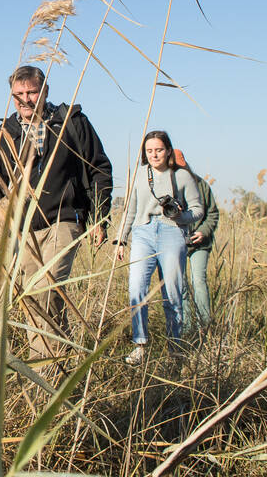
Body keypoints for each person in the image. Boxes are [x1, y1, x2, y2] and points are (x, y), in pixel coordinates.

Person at [0, 65, 112, 358]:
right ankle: (57, 368)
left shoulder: (71, 124)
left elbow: (99, 168)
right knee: (30, 302)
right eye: (19, 95)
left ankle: (43, 378)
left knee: (44, 294)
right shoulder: (3, 134)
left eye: (32, 92)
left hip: (61, 222)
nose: (26, 100)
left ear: (45, 92)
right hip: (17, 228)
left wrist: (100, 216)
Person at [116, 131, 203, 365]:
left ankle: (175, 347)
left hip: (172, 232)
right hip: (143, 231)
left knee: (173, 292)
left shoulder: (182, 176)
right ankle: (140, 344)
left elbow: (198, 209)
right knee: (137, 288)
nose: (154, 154)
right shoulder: (139, 175)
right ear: (145, 153)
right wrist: (121, 239)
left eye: (159, 150)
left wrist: (180, 217)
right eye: (149, 151)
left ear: (168, 150)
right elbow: (130, 210)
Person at [174, 149, 219, 336]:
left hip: (200, 242)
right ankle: (186, 328)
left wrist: (203, 231)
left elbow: (213, 214)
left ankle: (205, 325)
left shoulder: (201, 185)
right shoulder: (166, 186)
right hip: (177, 242)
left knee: (198, 281)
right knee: (181, 286)